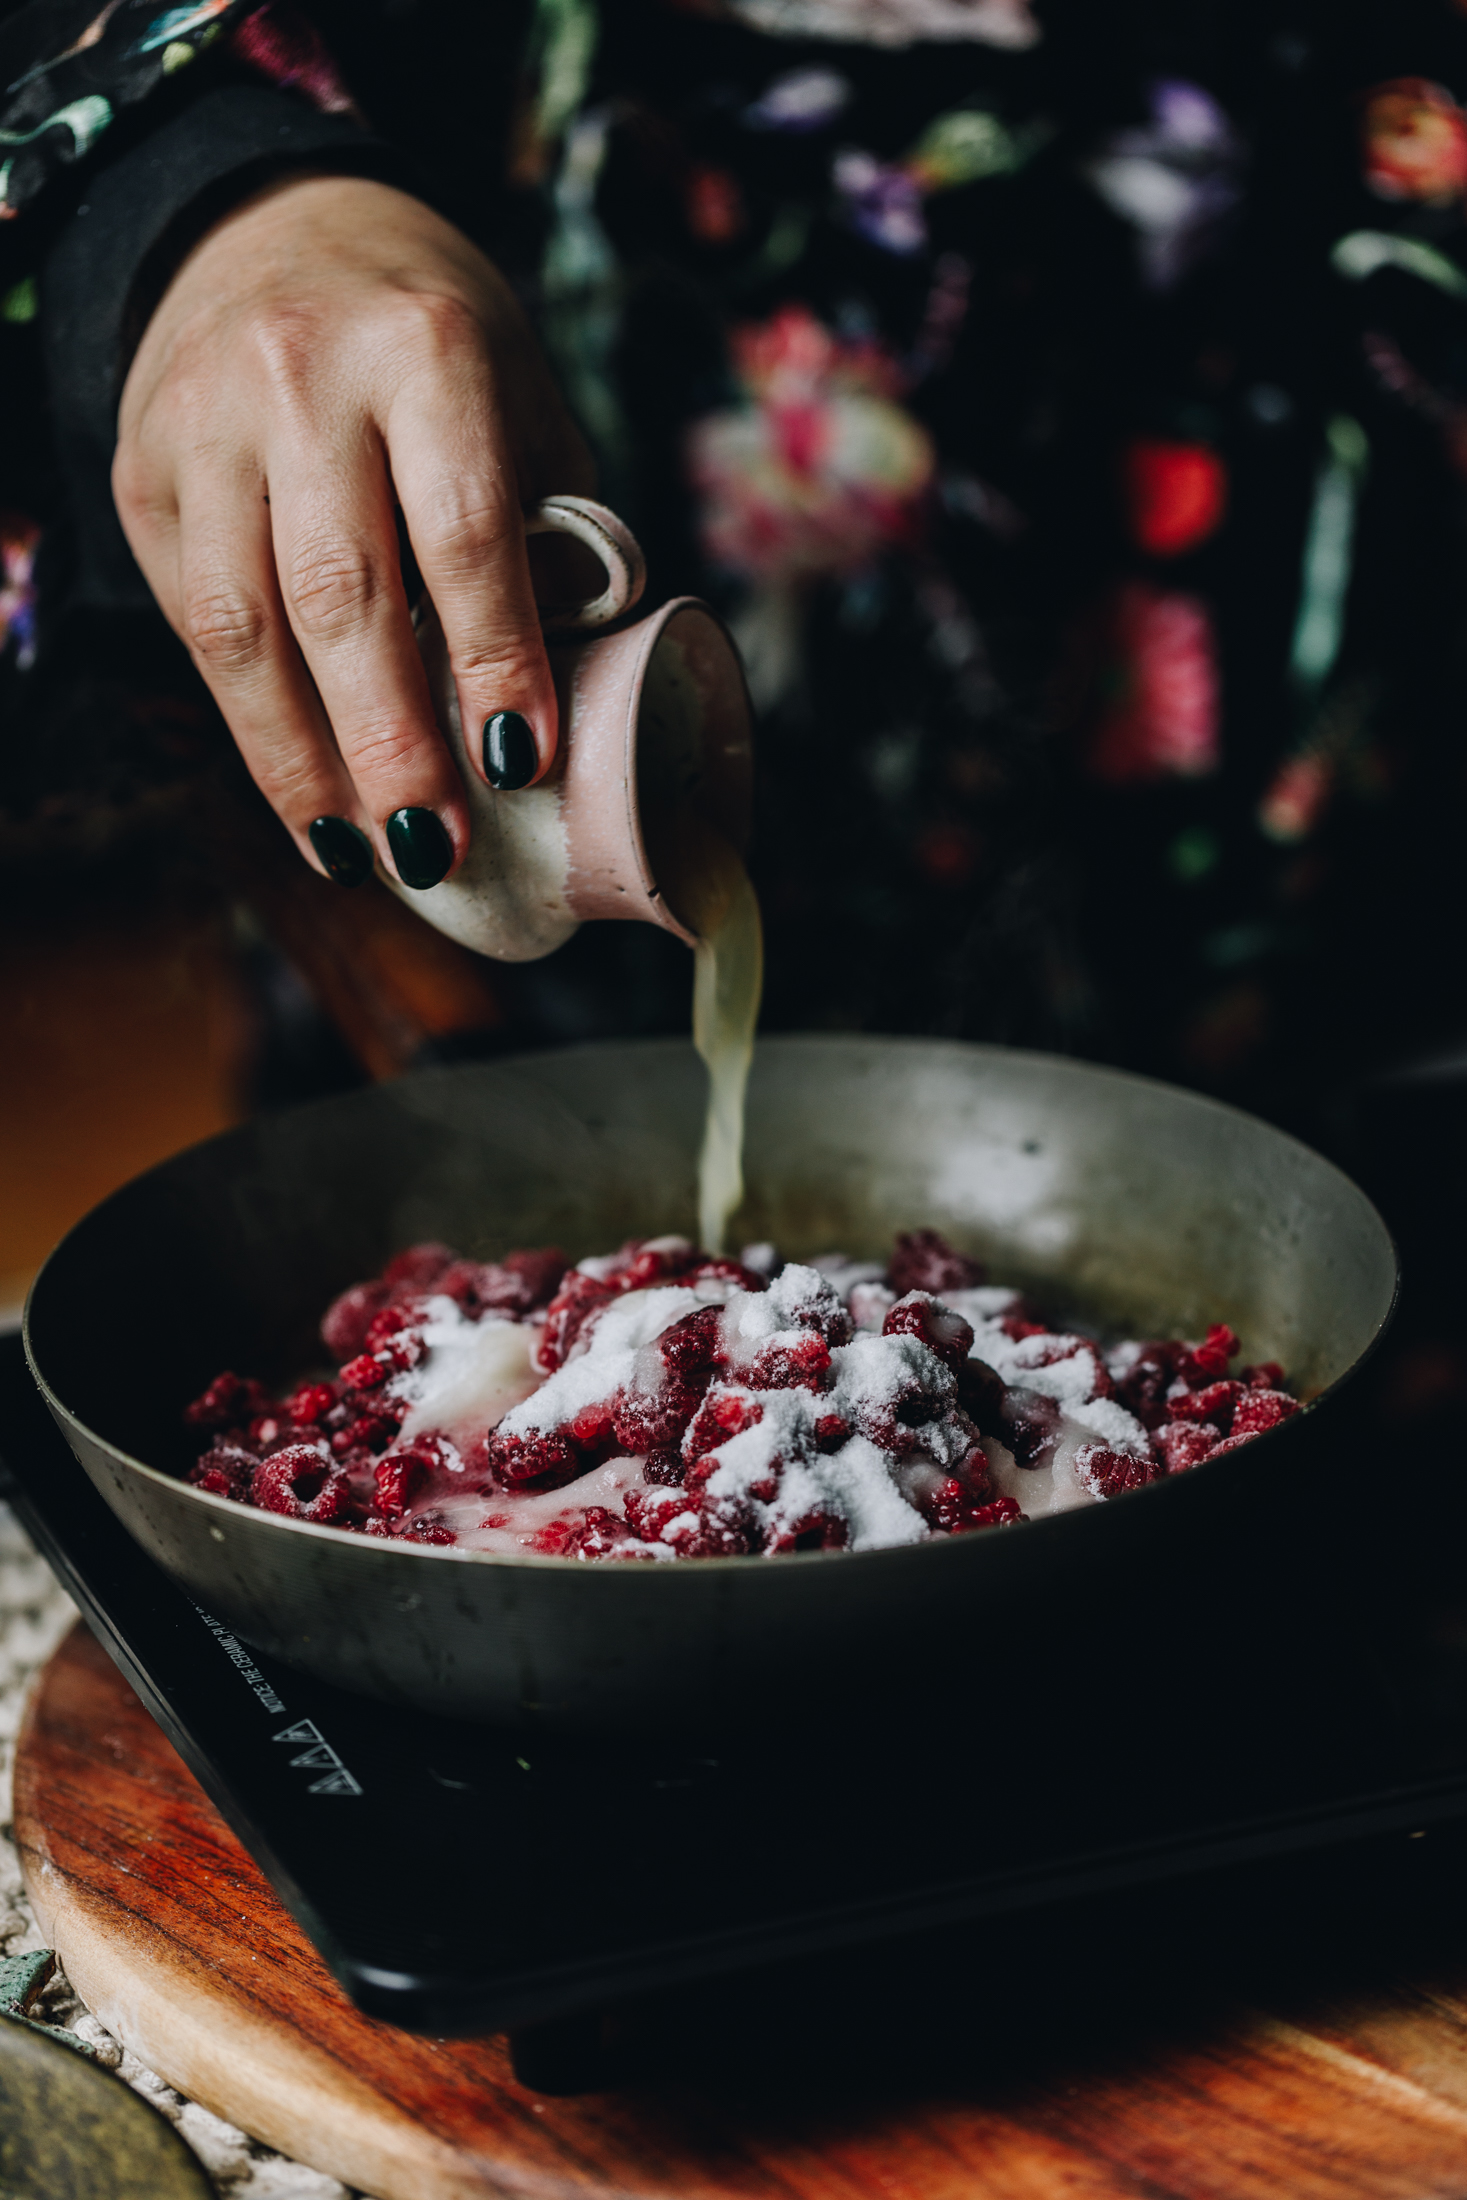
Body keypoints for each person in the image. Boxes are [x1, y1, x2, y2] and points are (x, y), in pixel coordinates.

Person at [3, 0, 1466, 1126]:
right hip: (539, 199)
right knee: (463, 1215)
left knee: (1305, 1219)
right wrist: (199, 184)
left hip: (1303, 286)